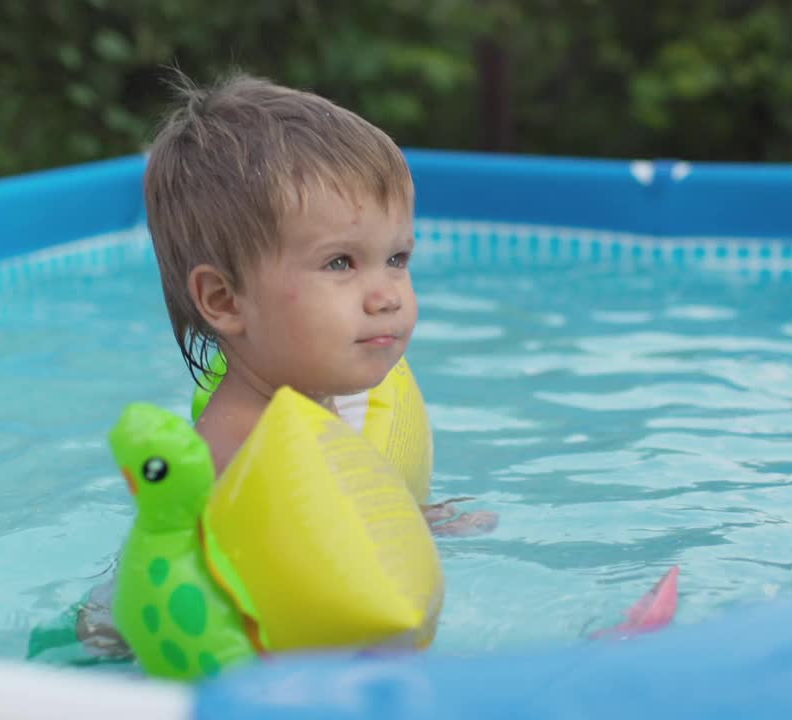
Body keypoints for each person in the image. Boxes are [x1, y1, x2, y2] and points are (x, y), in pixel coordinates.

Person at [73, 69, 495, 660]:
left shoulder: (309, 410)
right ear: (225, 300)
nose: (387, 295)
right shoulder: (233, 457)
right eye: (341, 264)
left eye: (397, 258)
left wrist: (411, 519)